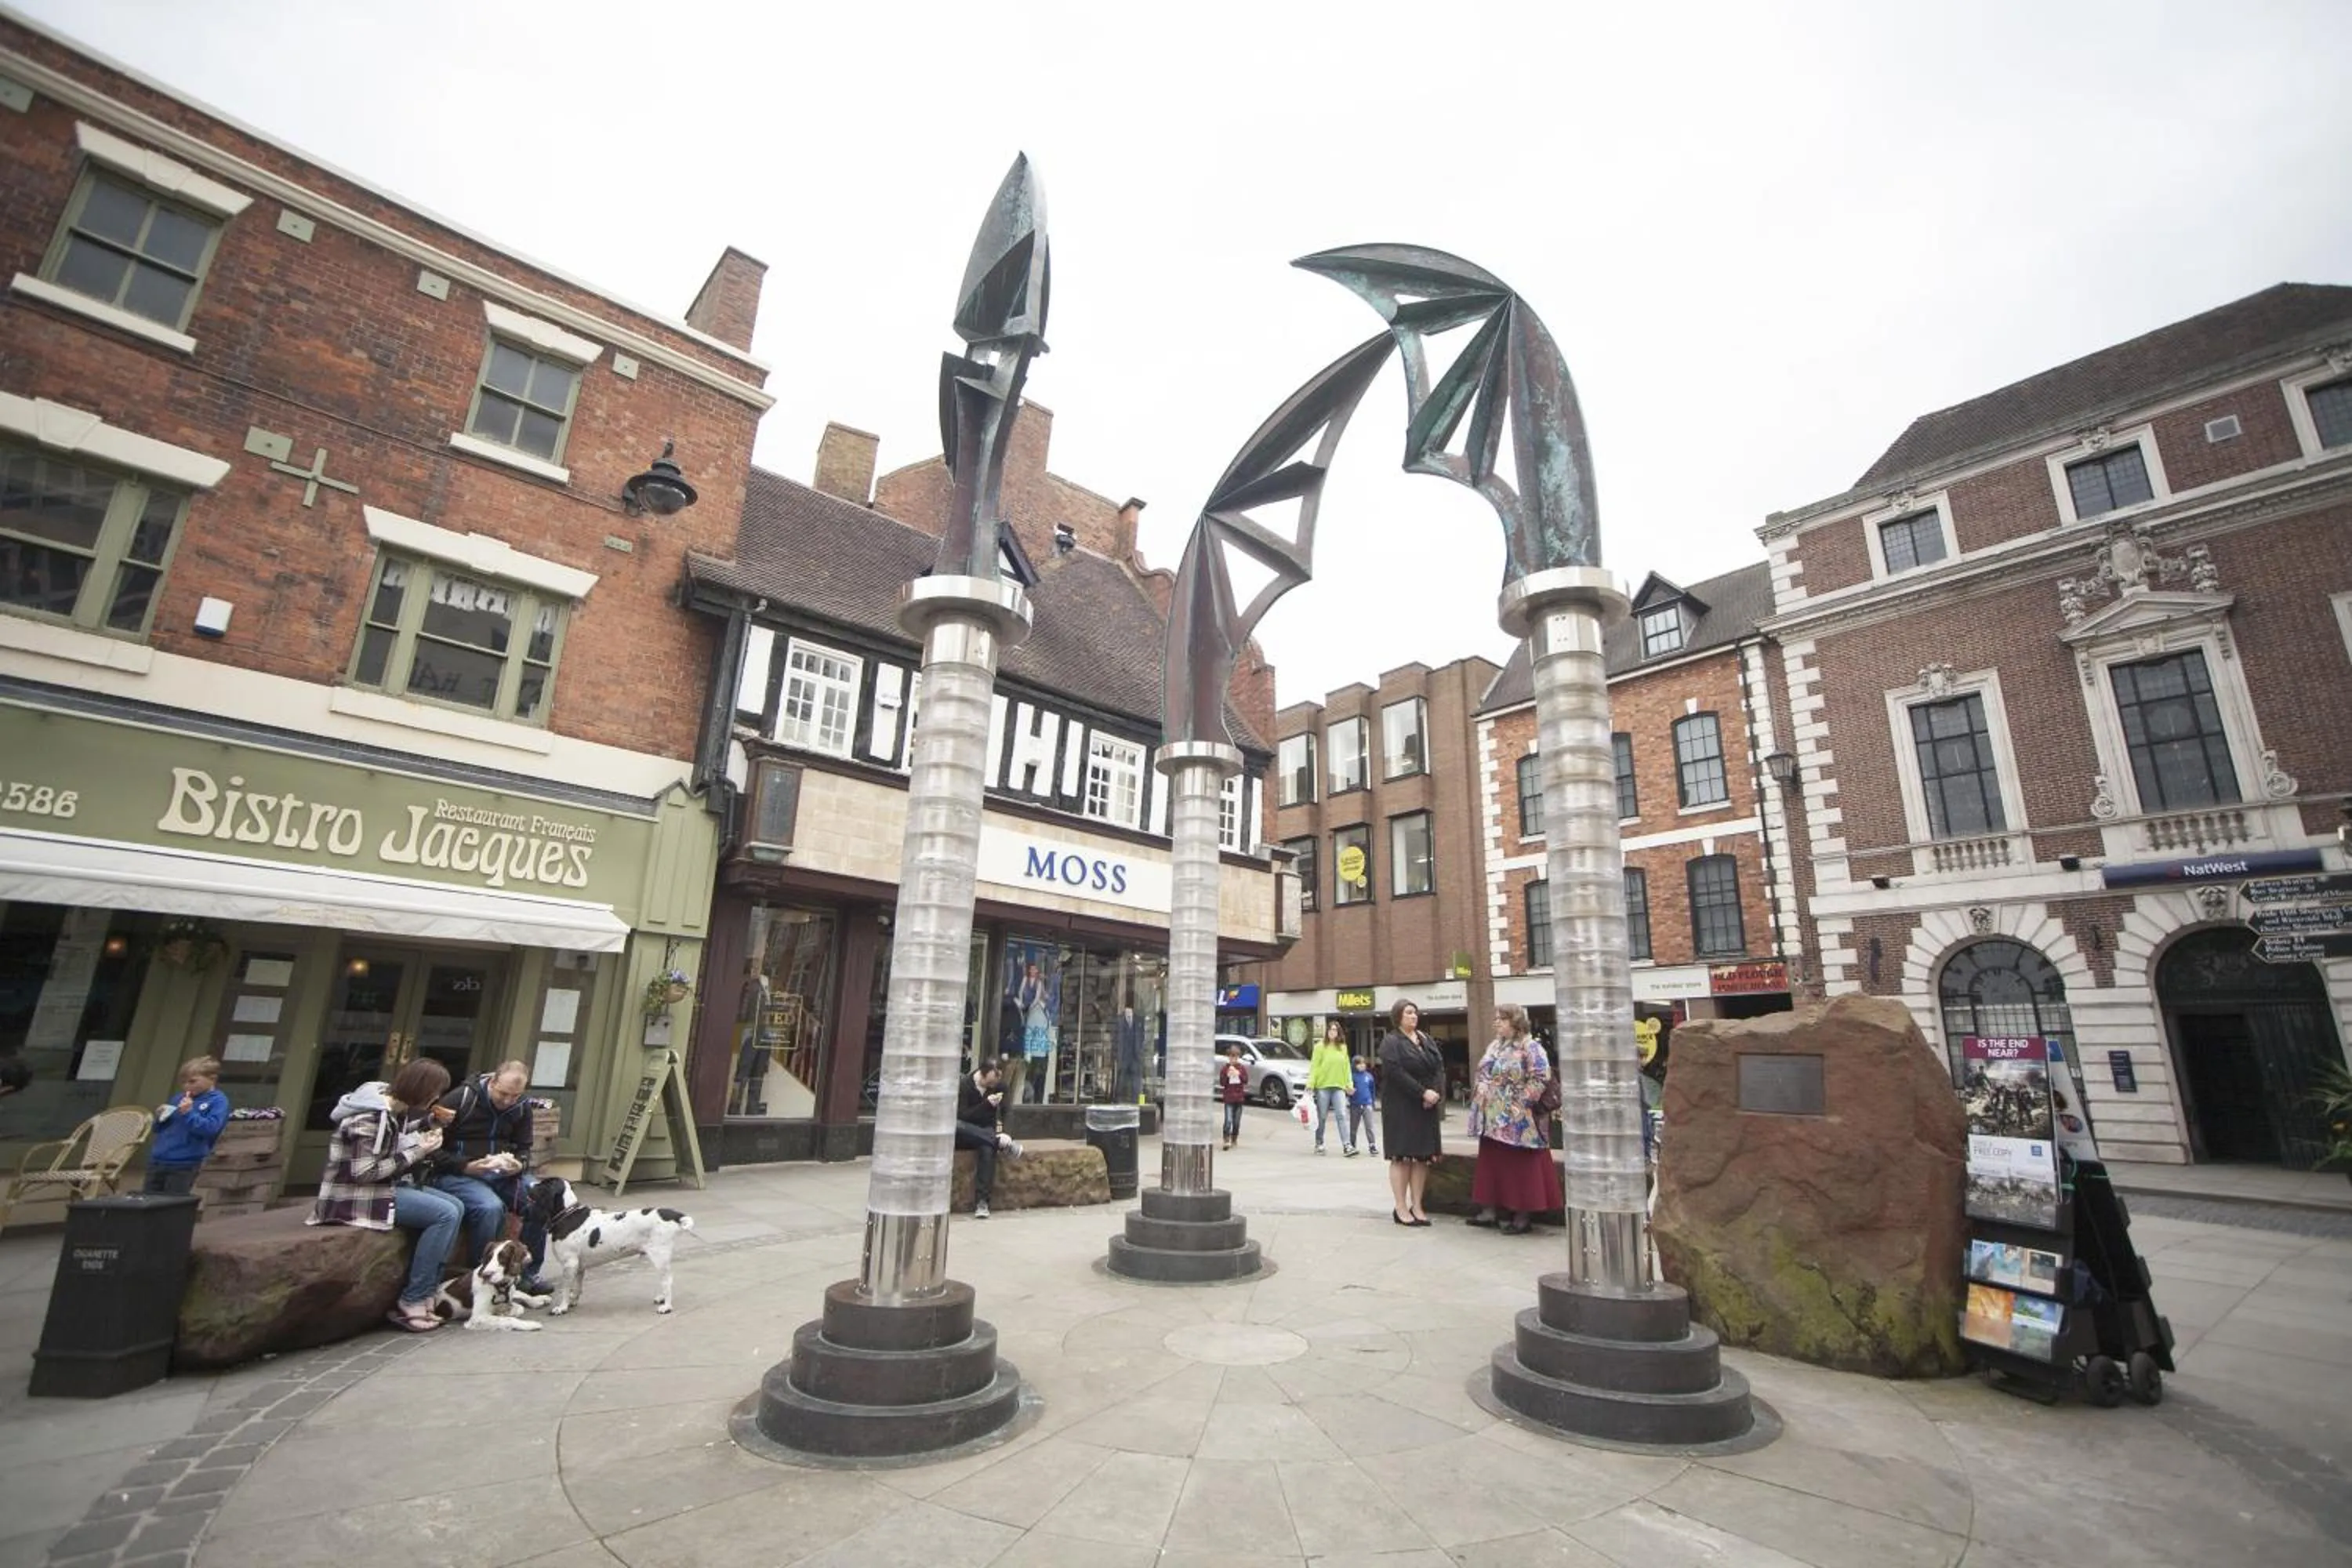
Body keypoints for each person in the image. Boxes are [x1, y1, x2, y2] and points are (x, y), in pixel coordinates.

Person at [310, 1058, 459, 1333]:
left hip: (381, 1188)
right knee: (444, 1214)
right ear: (421, 1089)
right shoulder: (369, 1117)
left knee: (456, 1206)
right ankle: (412, 1299)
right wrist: (418, 1153)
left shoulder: (392, 1107)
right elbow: (363, 1172)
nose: (437, 1097)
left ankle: (426, 1291)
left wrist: (429, 1123)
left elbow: (396, 1136)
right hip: (353, 1197)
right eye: (435, 1092)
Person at [426, 1061, 549, 1289]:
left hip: (501, 1173)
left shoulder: (521, 1106)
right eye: (503, 1093)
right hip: (458, 1173)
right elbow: (429, 1147)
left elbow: (523, 1146)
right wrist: (465, 1166)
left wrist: (519, 1164)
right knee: (489, 1208)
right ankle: (482, 1275)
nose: (508, 1101)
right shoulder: (460, 1099)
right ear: (492, 1081)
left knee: (539, 1199)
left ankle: (527, 1274)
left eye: (515, 1095)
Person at [1466, 1005, 1562, 1234]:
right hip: (1492, 1117)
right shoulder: (1495, 1046)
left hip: (1520, 1118)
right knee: (1494, 1163)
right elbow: (1483, 1072)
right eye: (1496, 1019)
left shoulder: (1532, 1047)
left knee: (1521, 1165)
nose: (1496, 1023)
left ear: (1516, 1022)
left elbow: (1540, 1077)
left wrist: (1522, 1104)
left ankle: (1522, 1215)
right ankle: (1490, 1210)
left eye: (1502, 1019)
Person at [1377, 999, 1445, 1226]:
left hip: (1426, 1106)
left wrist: (1434, 1092)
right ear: (1398, 1017)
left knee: (1421, 1158)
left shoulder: (1426, 1039)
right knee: (1402, 1156)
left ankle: (1417, 1205)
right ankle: (1401, 1206)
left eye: (1415, 1013)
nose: (1413, 1016)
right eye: (1408, 1013)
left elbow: (1438, 1067)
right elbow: (1395, 1073)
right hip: (1401, 1106)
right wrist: (1421, 1092)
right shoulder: (1391, 1042)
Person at [144, 1055, 230, 1195]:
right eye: (184, 1082)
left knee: (172, 1204)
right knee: (149, 1199)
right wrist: (160, 1118)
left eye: (193, 1081)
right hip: (159, 1159)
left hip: (185, 1162)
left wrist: (189, 1113)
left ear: (212, 1079)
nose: (187, 1086)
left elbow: (211, 1128)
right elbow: (158, 1129)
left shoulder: (218, 1101)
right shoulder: (179, 1098)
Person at [956, 1058, 1023, 1219]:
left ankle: (982, 1202)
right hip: (965, 1132)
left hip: (986, 1132)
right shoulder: (965, 1085)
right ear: (982, 1074)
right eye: (990, 1082)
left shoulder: (999, 1086)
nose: (994, 1085)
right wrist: (986, 1105)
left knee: (987, 1150)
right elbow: (963, 1116)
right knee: (958, 1125)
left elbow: (1008, 1111)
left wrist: (1006, 1133)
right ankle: (997, 1142)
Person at [1308, 1020, 1352, 1155]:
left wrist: (1349, 1084)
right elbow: (1314, 1066)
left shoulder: (1342, 1047)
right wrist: (1310, 1084)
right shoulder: (1320, 1047)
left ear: (1339, 1033)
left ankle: (1347, 1145)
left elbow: (1347, 1067)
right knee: (1322, 1116)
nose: (1333, 1032)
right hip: (1323, 1086)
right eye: (1331, 1029)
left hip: (1339, 1086)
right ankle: (1319, 1143)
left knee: (1341, 1115)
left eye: (1335, 1030)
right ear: (1327, 1032)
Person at [1218, 1043, 1250, 1150]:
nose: (1233, 1059)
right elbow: (1222, 1083)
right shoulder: (1225, 1068)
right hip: (1229, 1098)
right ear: (1229, 1057)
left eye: (1235, 1057)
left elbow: (1245, 1080)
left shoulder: (1241, 1068)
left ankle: (1234, 1137)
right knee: (1228, 1120)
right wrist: (1227, 1075)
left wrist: (1239, 1074)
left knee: (1236, 1122)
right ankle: (1226, 1139)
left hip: (1239, 1099)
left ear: (1238, 1057)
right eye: (1231, 1057)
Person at [1346, 1055, 1380, 1158]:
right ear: (1355, 1065)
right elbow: (1348, 1090)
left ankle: (1372, 1145)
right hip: (1355, 1104)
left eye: (1363, 1063)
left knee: (1369, 1126)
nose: (1362, 1065)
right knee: (1353, 1126)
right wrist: (1349, 1095)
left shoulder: (1369, 1076)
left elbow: (1372, 1090)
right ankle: (1352, 1144)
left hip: (1367, 1104)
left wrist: (1372, 1102)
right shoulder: (1351, 1077)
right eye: (1359, 1064)